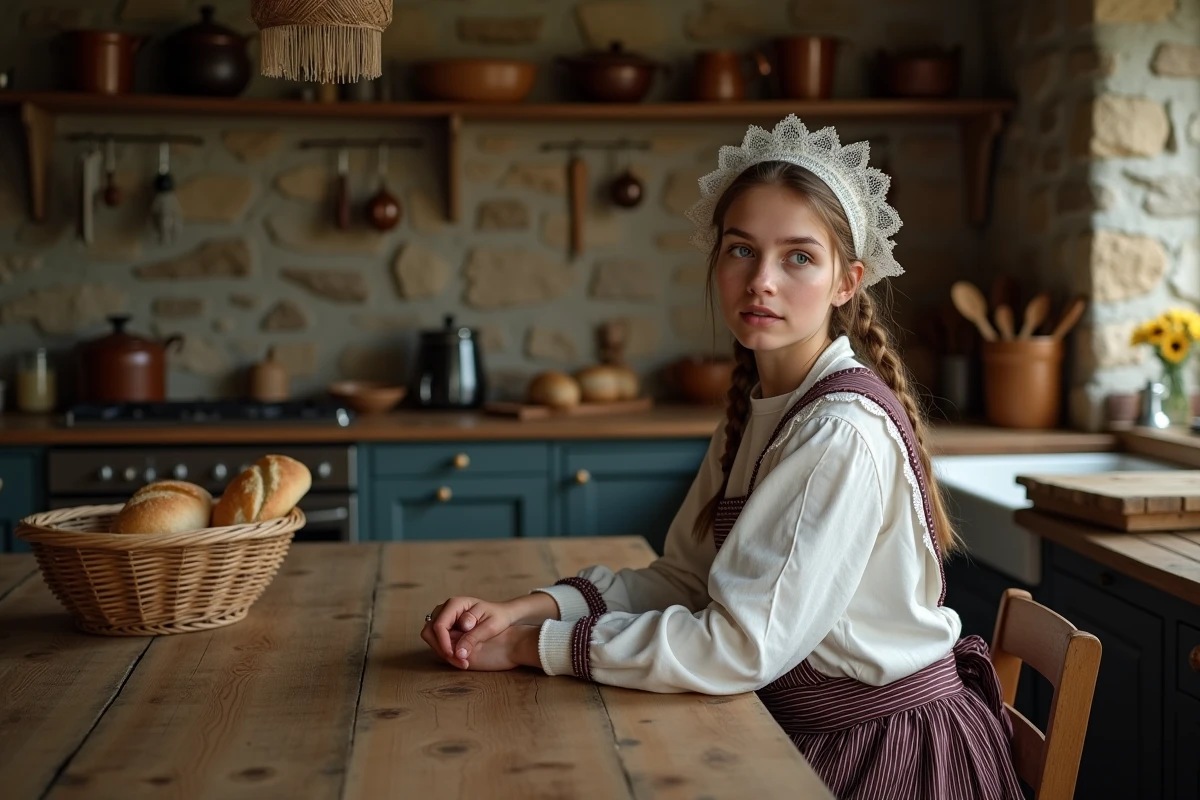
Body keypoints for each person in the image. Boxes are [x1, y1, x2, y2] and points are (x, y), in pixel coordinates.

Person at [420, 115, 1022, 799]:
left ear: (846, 281)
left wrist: (536, 651)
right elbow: (684, 580)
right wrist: (528, 611)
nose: (761, 279)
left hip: (887, 757)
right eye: (741, 250)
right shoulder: (758, 408)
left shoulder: (837, 432)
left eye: (799, 257)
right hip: (800, 728)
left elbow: (739, 647)